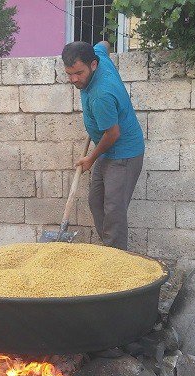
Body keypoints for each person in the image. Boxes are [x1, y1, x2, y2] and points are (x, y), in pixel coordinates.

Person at [62, 40, 145, 251]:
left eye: (78, 73)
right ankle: (110, 248)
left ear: (93, 65)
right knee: (95, 202)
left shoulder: (101, 94)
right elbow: (104, 43)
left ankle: (117, 258)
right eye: (69, 73)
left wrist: (90, 158)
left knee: (114, 209)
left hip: (123, 153)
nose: (74, 79)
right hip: (108, 151)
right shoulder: (99, 55)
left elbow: (113, 134)